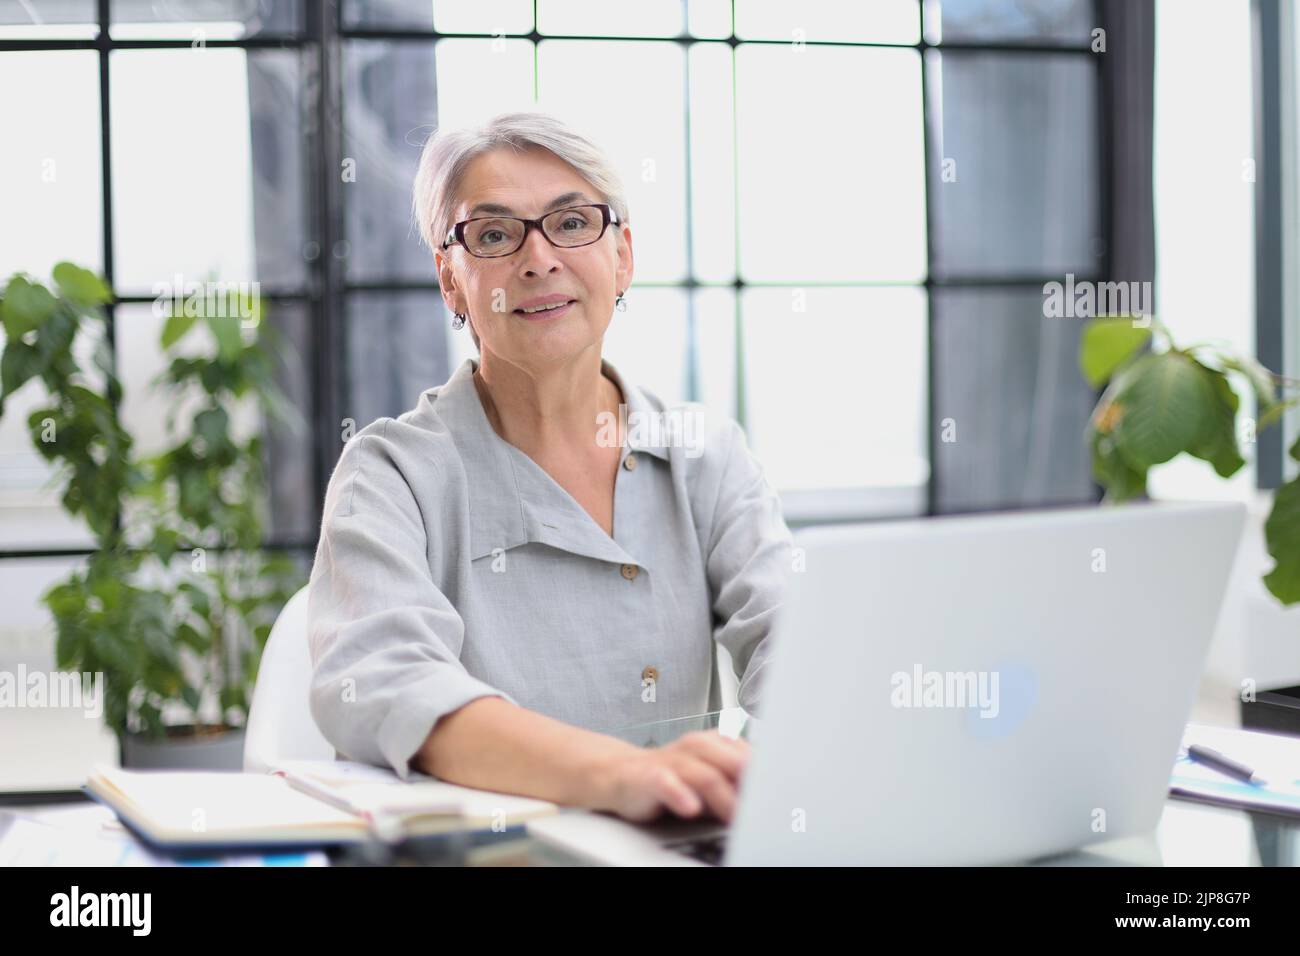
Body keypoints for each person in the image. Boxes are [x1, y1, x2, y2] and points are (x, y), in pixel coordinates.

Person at [307, 111, 795, 824]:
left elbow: (795, 645)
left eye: (571, 224)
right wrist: (624, 774)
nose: (539, 260)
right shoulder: (390, 474)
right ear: (452, 279)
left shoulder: (705, 452)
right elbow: (385, 684)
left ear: (622, 256)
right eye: (496, 234)